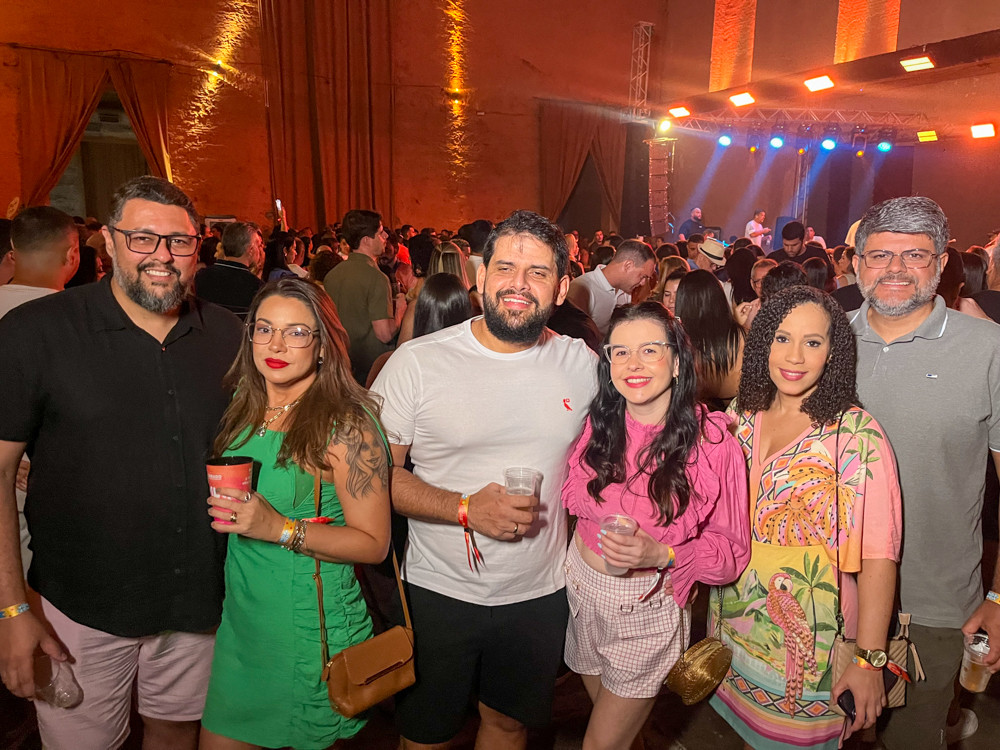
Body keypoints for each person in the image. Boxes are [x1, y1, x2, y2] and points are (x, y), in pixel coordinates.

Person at [0, 176, 242, 750]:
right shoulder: (36, 332)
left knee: (175, 735)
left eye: (178, 242)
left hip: (199, 601)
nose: (162, 256)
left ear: (198, 248)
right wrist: (11, 609)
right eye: (142, 238)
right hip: (79, 606)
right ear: (107, 242)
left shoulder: (227, 332)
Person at [370, 209, 598, 750]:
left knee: (508, 725)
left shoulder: (583, 365)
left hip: (540, 592)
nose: (519, 284)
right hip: (437, 590)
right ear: (480, 275)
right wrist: (464, 507)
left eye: (537, 272)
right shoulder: (417, 363)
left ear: (561, 288)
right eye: (505, 268)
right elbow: (375, 480)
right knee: (426, 735)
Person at [200, 278, 391, 749]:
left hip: (306, 627)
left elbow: (374, 544)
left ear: (323, 345)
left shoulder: (347, 426)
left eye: (297, 332)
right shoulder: (245, 406)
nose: (276, 345)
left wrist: (279, 528)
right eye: (264, 329)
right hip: (244, 623)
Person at [711, 285, 902, 750]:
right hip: (735, 626)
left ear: (832, 353)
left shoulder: (855, 435)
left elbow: (879, 556)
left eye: (812, 342)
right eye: (782, 338)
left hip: (813, 645)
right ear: (763, 343)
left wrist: (869, 661)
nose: (794, 356)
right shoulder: (741, 413)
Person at [846, 197, 1000, 750]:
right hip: (825, 596)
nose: (895, 269)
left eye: (914, 254)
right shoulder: (822, 342)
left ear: (940, 263)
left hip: (932, 606)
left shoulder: (988, 348)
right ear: (857, 263)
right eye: (879, 254)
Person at [562, 302, 750, 750]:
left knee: (600, 744)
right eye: (621, 352)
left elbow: (732, 551)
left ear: (678, 362)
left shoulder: (713, 443)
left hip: (645, 611)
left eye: (650, 350)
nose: (633, 364)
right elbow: (574, 495)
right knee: (623, 733)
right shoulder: (600, 422)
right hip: (582, 593)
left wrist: (662, 554)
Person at [323, 209, 406, 383]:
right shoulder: (376, 277)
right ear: (367, 240)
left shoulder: (332, 275)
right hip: (371, 369)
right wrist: (400, 311)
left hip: (341, 364)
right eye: (380, 233)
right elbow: (384, 334)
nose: (385, 237)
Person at [674, 269, 744, 404]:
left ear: (683, 301)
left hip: (698, 410)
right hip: (736, 408)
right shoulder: (742, 336)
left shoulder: (681, 341)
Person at [567, 239, 657, 335]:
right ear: (628, 266)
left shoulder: (626, 290)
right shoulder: (581, 288)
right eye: (643, 276)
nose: (643, 283)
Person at [194, 221, 264, 319]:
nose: (260, 251)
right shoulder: (255, 287)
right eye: (259, 245)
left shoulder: (201, 276)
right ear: (250, 250)